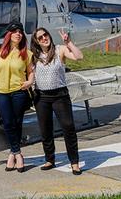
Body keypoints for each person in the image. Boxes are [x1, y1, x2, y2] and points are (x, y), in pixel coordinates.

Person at [30, 27, 83, 175]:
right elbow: (30, 75)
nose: (44, 38)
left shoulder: (60, 50)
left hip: (60, 96)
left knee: (68, 127)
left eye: (45, 35)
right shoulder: (34, 56)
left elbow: (79, 57)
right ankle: (50, 159)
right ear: (36, 41)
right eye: (40, 38)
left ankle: (74, 162)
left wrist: (69, 42)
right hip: (41, 97)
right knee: (45, 129)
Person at [0, 22, 34, 173]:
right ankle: (18, 153)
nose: (18, 34)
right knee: (8, 122)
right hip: (1, 92)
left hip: (19, 91)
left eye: (20, 32)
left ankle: (12, 154)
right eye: (14, 31)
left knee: (17, 122)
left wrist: (30, 81)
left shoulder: (27, 53)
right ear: (8, 34)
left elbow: (30, 72)